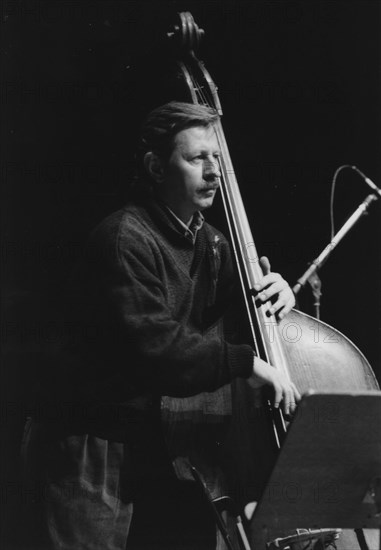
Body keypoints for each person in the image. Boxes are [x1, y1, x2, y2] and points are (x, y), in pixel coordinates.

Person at [21, 101, 300, 550]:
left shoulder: (210, 243)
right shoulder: (124, 239)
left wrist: (278, 291)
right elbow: (160, 347)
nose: (214, 173)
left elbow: (246, 309)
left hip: (156, 438)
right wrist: (250, 365)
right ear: (155, 166)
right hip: (88, 439)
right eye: (196, 159)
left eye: (218, 159)